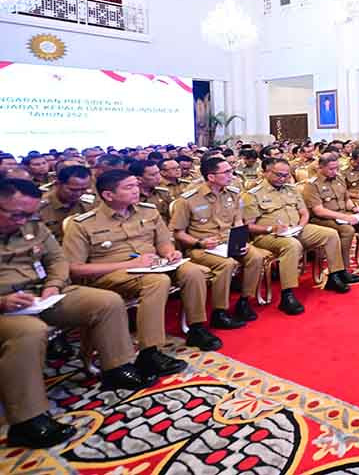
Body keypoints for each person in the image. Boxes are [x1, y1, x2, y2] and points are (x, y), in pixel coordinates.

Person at [0, 179, 156, 449]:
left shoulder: (32, 225)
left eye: (29, 214)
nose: (24, 220)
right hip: (6, 307)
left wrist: (52, 285)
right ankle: (28, 420)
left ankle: (116, 367)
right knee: (30, 331)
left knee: (106, 301)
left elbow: (57, 261)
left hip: (41, 294)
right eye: (17, 214)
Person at [63, 170, 215, 374]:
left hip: (154, 265)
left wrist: (170, 253)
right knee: (157, 281)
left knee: (193, 271)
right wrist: (127, 265)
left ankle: (196, 328)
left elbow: (162, 241)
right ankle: (149, 351)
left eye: (136, 185)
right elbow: (75, 268)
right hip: (112, 274)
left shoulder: (148, 211)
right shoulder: (82, 224)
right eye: (129, 187)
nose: (137, 190)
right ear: (109, 195)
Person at [170, 156, 269, 325]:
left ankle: (244, 301)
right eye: (227, 172)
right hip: (201, 247)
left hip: (228, 243)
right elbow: (178, 233)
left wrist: (241, 240)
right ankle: (219, 312)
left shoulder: (233, 194)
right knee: (227, 263)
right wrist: (198, 243)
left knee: (256, 257)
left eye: (231, 171)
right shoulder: (188, 200)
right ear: (211, 177)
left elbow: (238, 222)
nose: (232, 175)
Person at [243, 158, 344, 314]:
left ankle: (334, 276)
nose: (283, 178)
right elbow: (248, 226)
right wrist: (271, 228)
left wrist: (301, 226)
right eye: (278, 175)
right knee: (292, 245)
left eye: (286, 175)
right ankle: (287, 294)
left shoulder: (291, 189)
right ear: (266, 172)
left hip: (296, 229)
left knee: (330, 234)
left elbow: (304, 212)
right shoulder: (253, 195)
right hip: (269, 235)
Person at [301, 153, 359, 282]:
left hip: (342, 215)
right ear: (321, 168)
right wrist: (345, 217)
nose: (335, 171)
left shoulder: (339, 178)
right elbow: (319, 211)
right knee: (347, 230)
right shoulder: (312, 185)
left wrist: (354, 208)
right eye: (331, 169)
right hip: (323, 219)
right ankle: (343, 269)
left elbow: (346, 199)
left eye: (336, 168)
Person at [37, 165, 95, 242]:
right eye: (73, 190)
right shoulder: (39, 207)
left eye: (83, 189)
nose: (78, 194)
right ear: (58, 184)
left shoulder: (89, 202)